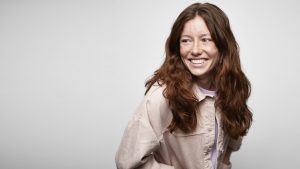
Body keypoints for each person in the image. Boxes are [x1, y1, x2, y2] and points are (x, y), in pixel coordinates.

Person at [115, 2, 252, 169]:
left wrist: (224, 164)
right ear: (177, 46)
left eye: (205, 39)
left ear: (222, 45)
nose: (195, 50)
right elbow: (127, 162)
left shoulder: (232, 88)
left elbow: (232, 141)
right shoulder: (161, 97)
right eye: (186, 40)